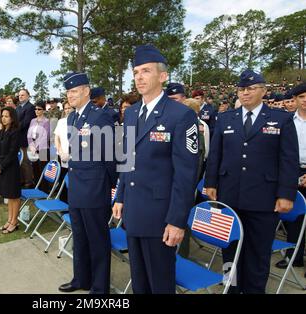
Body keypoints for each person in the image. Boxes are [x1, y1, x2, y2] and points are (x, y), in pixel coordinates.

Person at [112, 45, 199, 294]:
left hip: (161, 216)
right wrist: (120, 196)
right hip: (134, 212)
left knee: (160, 284)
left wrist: (176, 221)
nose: (139, 77)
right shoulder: (131, 115)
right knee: (139, 281)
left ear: (162, 76)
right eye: (136, 72)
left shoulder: (180, 115)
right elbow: (126, 160)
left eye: (146, 71)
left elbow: (185, 175)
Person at [204, 69, 299, 294]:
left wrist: (286, 194)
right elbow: (215, 155)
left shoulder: (281, 119)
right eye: (241, 89)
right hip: (229, 196)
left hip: (263, 199)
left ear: (264, 91)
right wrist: (211, 183)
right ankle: (232, 289)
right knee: (230, 251)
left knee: (258, 253)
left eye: (251, 88)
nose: (245, 93)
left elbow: (288, 159)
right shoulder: (226, 118)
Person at [58, 72, 116, 294]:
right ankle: (80, 279)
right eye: (67, 92)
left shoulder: (100, 116)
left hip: (94, 187)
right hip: (77, 185)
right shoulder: (72, 118)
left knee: (97, 240)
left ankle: (100, 288)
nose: (69, 96)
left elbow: (109, 154)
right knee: (80, 236)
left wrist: (109, 184)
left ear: (86, 91)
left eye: (73, 91)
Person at [275, 82, 306, 276]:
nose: (305, 101)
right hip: (291, 170)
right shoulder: (287, 121)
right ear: (294, 99)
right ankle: (294, 256)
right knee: (294, 217)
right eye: (301, 97)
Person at [0, 107, 21, 234]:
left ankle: (15, 221)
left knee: (14, 196)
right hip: (1, 167)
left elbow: (12, 153)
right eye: (2, 116)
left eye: (7, 116)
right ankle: (9, 219)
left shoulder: (15, 132)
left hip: (11, 168)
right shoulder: (1, 131)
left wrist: (1, 166)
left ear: (12, 118)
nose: (4, 118)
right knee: (9, 196)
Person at [27, 101, 50, 193]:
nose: (36, 111)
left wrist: (35, 147)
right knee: (35, 169)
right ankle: (37, 189)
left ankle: (45, 191)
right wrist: (31, 146)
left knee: (43, 170)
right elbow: (29, 134)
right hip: (33, 149)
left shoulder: (47, 121)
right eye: (35, 109)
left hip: (43, 149)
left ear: (43, 110)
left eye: (39, 109)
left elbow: (45, 136)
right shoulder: (32, 121)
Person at [54, 101, 74, 202]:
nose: (67, 110)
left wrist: (69, 154)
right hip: (62, 155)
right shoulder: (61, 121)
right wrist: (61, 151)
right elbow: (57, 138)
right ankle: (63, 202)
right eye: (65, 108)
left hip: (73, 156)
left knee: (72, 181)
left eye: (69, 108)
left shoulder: (78, 121)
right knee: (62, 179)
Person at [16, 89, 36, 187]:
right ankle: (22, 180)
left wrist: (14, 127)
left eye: (23, 95)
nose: (20, 97)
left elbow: (26, 122)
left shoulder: (31, 107)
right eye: (19, 95)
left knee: (26, 161)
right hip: (17, 137)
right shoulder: (18, 107)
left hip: (26, 138)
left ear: (28, 96)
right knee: (20, 160)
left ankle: (29, 182)